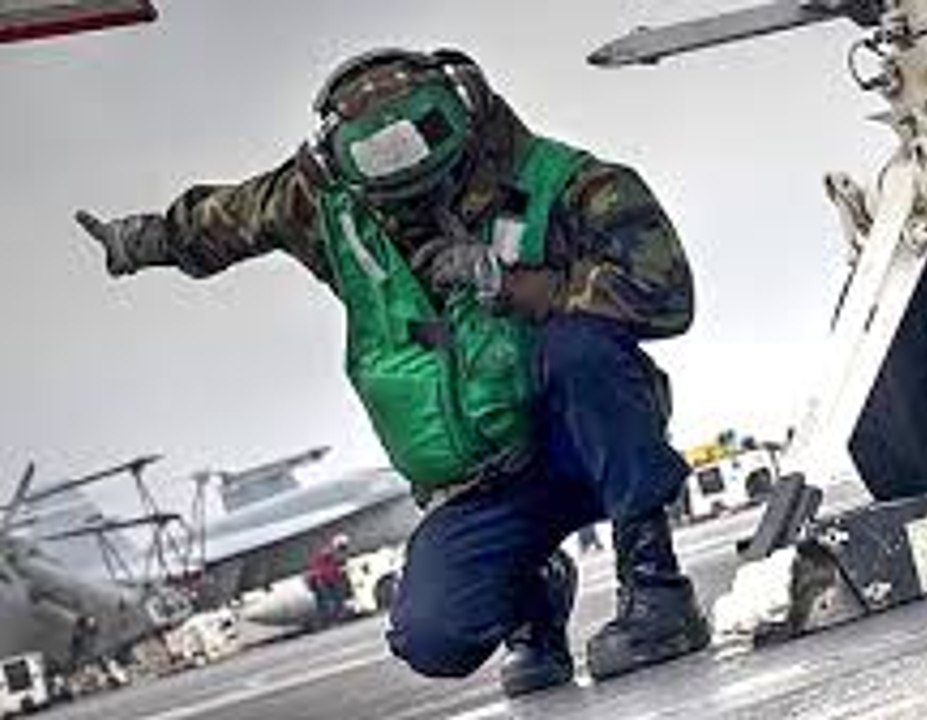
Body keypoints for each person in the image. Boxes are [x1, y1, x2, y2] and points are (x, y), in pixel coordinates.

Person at [75, 48, 709, 696]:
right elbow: (233, 216)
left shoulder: (568, 182)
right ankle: (532, 598)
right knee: (431, 636)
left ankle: (657, 590)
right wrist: (146, 241)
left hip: (585, 442)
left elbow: (666, 291)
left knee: (580, 351)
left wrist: (517, 285)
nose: (417, 200)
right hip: (482, 484)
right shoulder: (331, 207)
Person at [306, 534, 351, 627]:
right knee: (332, 600)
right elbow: (324, 567)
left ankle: (336, 619)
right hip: (326, 580)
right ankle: (332, 620)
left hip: (329, 579)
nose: (344, 549)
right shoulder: (329, 552)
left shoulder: (331, 553)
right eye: (343, 546)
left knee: (336, 600)